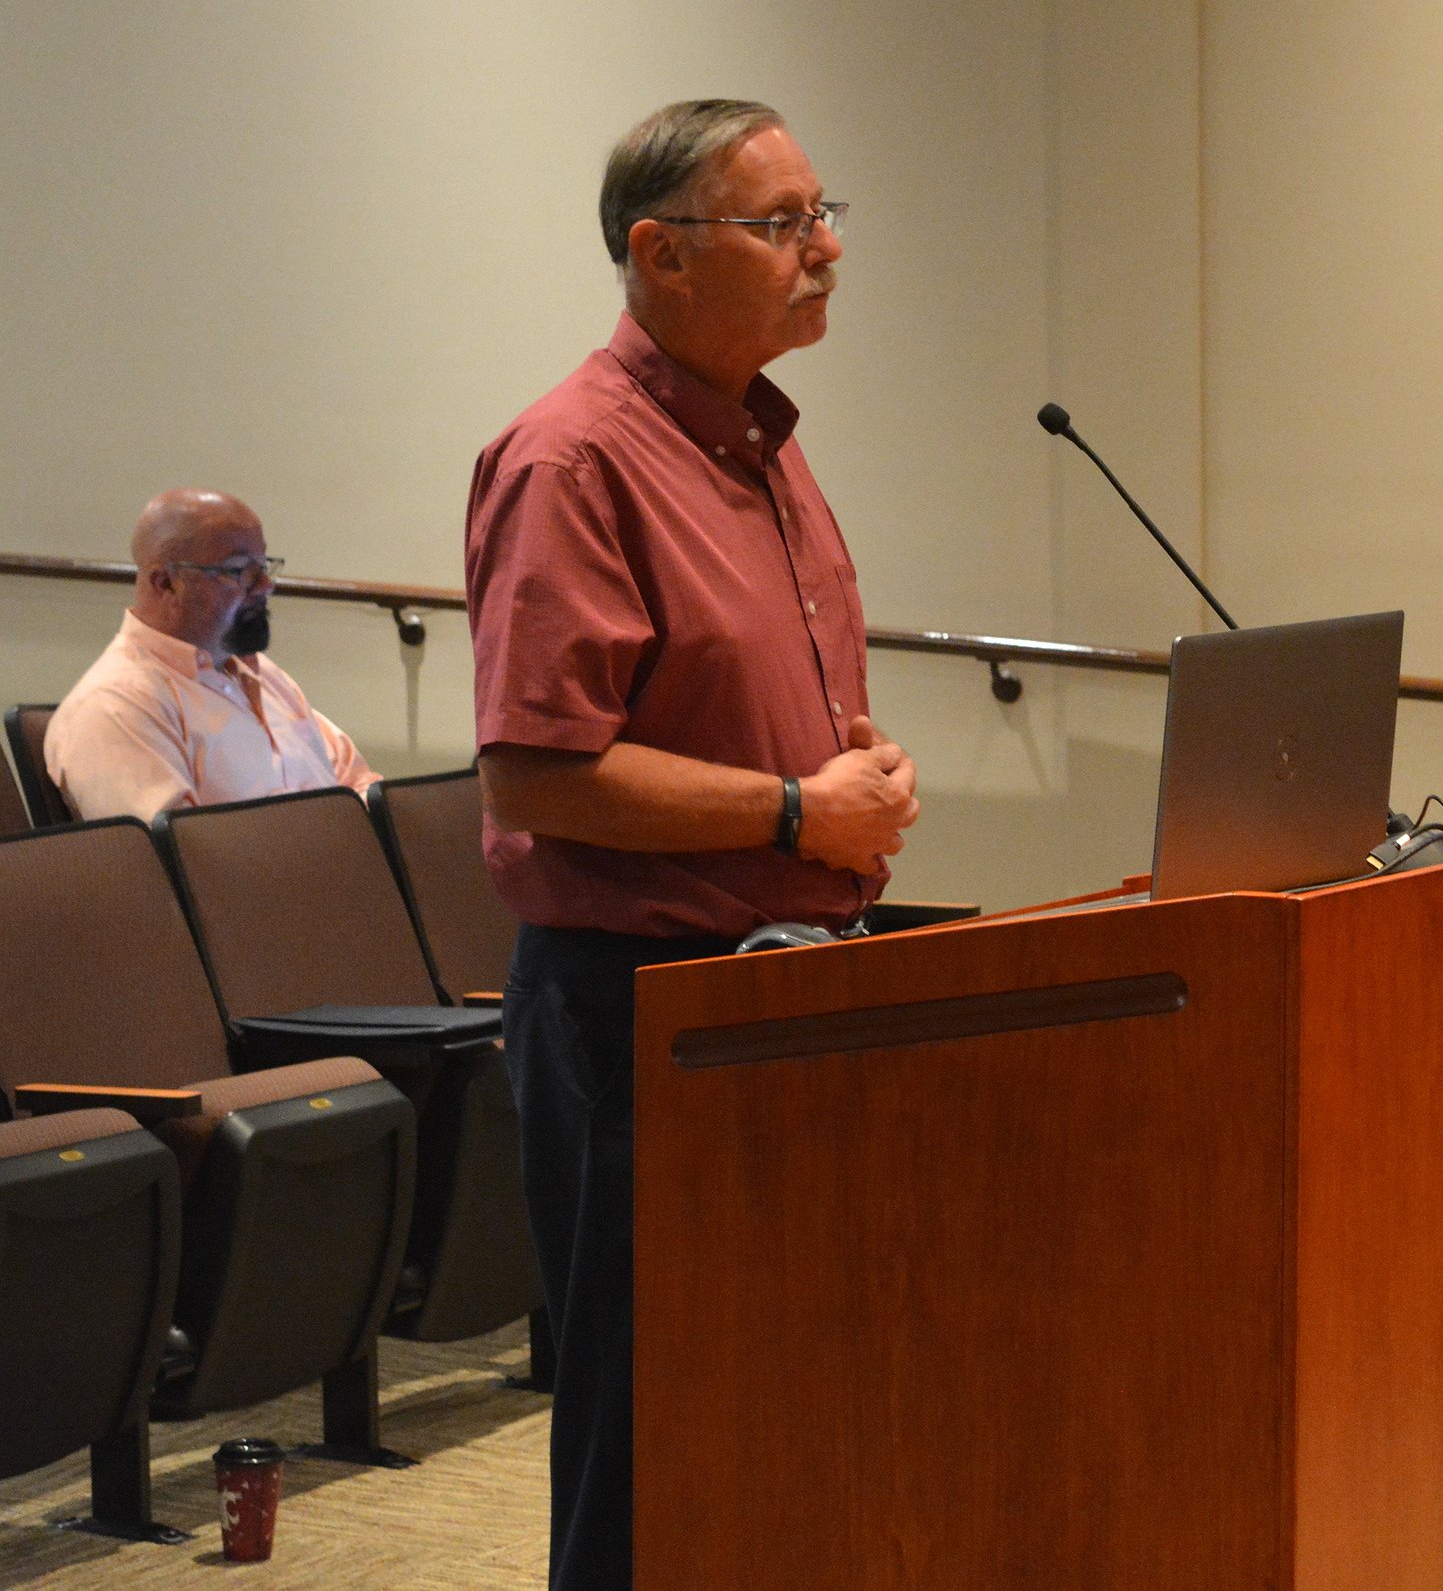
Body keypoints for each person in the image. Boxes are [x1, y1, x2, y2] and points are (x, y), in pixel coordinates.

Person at [464, 99, 919, 1591]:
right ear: (660, 253)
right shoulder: (572, 461)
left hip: (788, 983)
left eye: (822, 213)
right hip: (637, 1010)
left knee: (777, 1414)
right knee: (651, 1430)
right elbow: (537, 772)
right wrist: (795, 810)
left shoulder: (761, 445)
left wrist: (858, 781)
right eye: (781, 224)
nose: (824, 248)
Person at [45, 489, 375, 821]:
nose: (265, 585)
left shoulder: (260, 674)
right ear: (165, 583)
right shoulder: (116, 705)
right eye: (238, 570)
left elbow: (358, 783)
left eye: (263, 566)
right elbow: (180, 849)